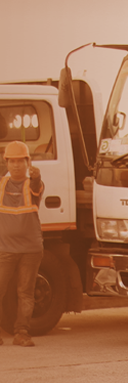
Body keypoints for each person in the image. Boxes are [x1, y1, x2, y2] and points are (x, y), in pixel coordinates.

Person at [0, 141, 45, 347]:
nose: (16, 165)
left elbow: (37, 185)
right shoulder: (1, 184)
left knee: (25, 292)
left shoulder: (33, 184)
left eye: (21, 161)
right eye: (12, 161)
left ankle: (22, 333)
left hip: (30, 249)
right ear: (6, 162)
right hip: (5, 248)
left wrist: (36, 177)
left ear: (28, 162)